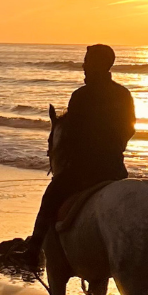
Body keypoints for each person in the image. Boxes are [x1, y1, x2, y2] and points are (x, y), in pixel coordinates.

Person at [23, 43, 136, 267]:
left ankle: (33, 249)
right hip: (115, 170)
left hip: (84, 172)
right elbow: (130, 129)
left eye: (87, 61)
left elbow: (73, 134)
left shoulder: (81, 96)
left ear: (98, 64)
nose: (83, 66)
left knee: (51, 195)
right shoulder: (124, 94)